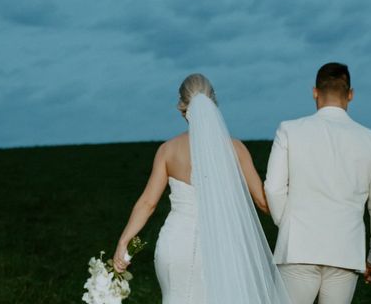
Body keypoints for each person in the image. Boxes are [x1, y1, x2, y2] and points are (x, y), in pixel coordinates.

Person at [113, 73, 291, 304]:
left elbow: (148, 203)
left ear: (182, 108)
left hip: (175, 246)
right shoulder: (235, 149)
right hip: (222, 246)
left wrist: (123, 241)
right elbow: (262, 202)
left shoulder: (167, 150)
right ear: (213, 105)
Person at [265, 62, 371, 304]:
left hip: (298, 249)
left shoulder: (289, 130)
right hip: (344, 252)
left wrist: (290, 225)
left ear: (315, 92)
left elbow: (273, 188)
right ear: (351, 94)